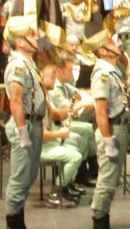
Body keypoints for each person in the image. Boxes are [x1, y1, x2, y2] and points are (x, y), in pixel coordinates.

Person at [2, 15, 44, 228]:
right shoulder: (18, 65)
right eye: (31, 35)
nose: (36, 38)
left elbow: (51, 44)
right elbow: (16, 100)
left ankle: (19, 220)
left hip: (34, 124)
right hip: (24, 125)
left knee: (29, 176)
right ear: (19, 42)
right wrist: (22, 132)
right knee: (20, 179)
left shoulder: (28, 62)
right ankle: (13, 223)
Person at [89, 34, 130, 229]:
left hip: (118, 126)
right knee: (106, 180)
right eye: (111, 43)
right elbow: (101, 112)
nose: (117, 44)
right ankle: (99, 221)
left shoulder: (112, 71)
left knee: (111, 180)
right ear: (103, 50)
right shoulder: (102, 74)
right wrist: (108, 141)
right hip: (111, 128)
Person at [38, 63, 84, 208]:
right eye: (51, 76)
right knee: (75, 156)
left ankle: (65, 185)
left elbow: (58, 114)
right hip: (41, 147)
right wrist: (61, 133)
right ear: (42, 77)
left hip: (50, 140)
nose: (54, 78)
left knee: (75, 143)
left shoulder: (46, 97)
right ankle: (55, 193)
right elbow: (41, 135)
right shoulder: (40, 101)